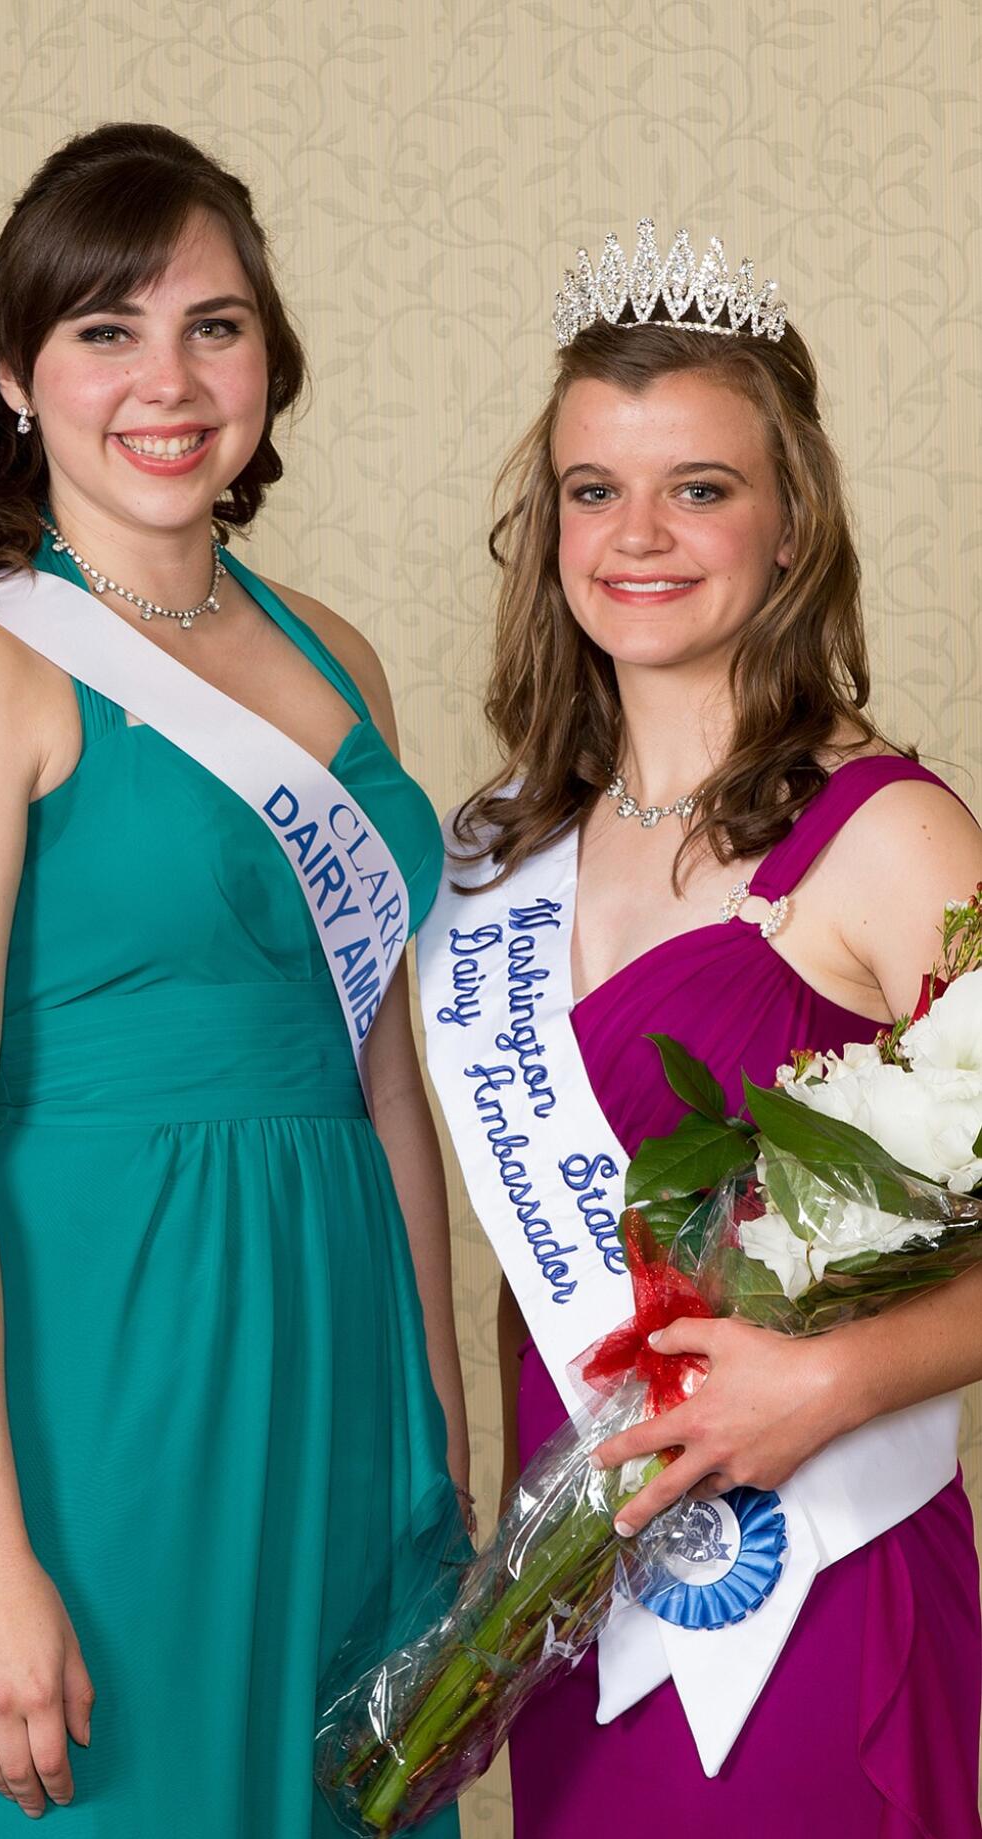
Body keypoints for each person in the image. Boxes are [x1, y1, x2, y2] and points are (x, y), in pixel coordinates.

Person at [0, 121, 469, 1838]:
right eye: (107, 331)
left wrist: (432, 1455)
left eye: (214, 325)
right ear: (17, 375)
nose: (166, 380)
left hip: (328, 1358)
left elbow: (384, 1083)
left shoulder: (338, 657)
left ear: (268, 363)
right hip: (83, 1384)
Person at [450, 223, 982, 1834]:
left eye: (698, 486)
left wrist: (829, 1389)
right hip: (580, 1571)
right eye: (593, 490)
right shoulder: (502, 852)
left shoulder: (886, 835)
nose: (639, 537)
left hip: (820, 1565)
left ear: (786, 519)